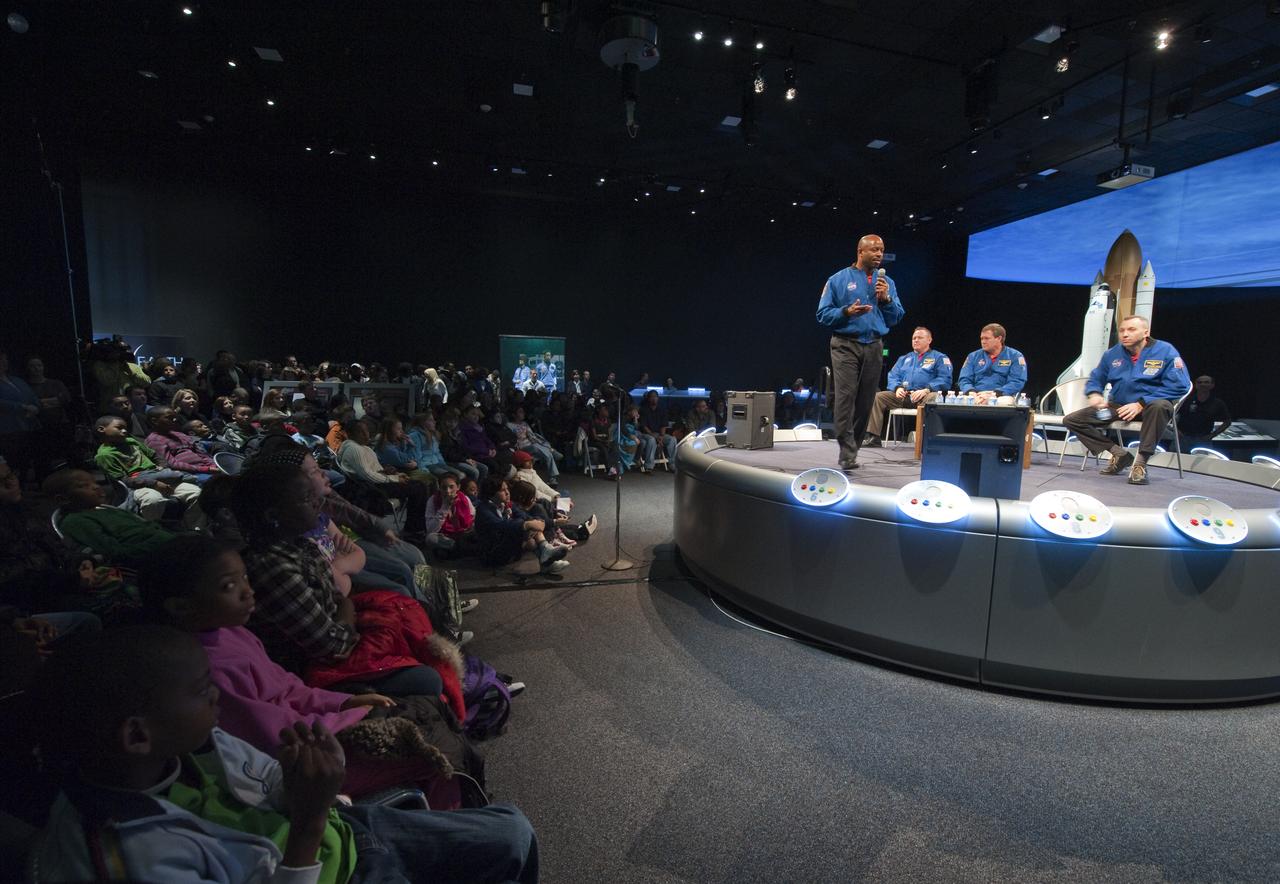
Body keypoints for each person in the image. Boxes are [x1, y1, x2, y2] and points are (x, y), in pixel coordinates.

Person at [29, 625, 539, 884]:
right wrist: (310, 819)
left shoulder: (193, 748)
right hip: (328, 863)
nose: (216, 696)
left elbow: (272, 777)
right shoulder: (133, 857)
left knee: (513, 830)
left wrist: (311, 782)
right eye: (202, 690)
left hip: (343, 833)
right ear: (137, 735)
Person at [1062, 315, 1191, 485]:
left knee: (1160, 406)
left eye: (1131, 329)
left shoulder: (1165, 351)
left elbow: (1180, 385)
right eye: (1122, 330)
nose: (1125, 334)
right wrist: (1094, 393)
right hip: (1119, 406)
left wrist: (1141, 403)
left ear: (1146, 332)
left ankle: (1140, 464)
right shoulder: (1112, 354)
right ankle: (1119, 454)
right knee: (1073, 420)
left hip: (1150, 406)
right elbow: (1096, 378)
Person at [816, 233, 905, 470]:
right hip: (845, 344)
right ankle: (846, 451)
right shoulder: (837, 279)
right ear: (860, 251)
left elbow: (896, 317)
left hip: (874, 345)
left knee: (866, 401)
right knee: (846, 397)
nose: (879, 254)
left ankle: (852, 450)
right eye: (874, 250)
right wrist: (846, 312)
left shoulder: (887, 282)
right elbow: (822, 314)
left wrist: (886, 300)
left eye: (881, 250)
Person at [93, 415, 203, 523]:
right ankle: (152, 528)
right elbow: (123, 479)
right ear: (102, 429)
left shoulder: (131, 441)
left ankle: (194, 527)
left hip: (159, 474)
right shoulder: (104, 455)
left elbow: (154, 455)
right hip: (139, 484)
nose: (124, 431)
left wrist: (163, 466)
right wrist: (154, 483)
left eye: (125, 428)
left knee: (196, 493)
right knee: (152, 500)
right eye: (119, 428)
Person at [864, 327, 953, 447]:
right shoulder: (904, 358)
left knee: (934, 397)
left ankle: (926, 439)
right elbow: (893, 375)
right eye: (914, 338)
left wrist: (927, 389)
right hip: (904, 396)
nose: (916, 340)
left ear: (929, 340)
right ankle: (873, 437)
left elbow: (945, 379)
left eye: (920, 337)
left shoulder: (939, 357)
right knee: (878, 397)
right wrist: (897, 388)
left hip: (924, 397)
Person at [474, 476, 569, 573]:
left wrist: (536, 522)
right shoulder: (483, 509)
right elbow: (500, 525)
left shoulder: (506, 504)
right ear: (491, 493)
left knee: (530, 527)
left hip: (505, 544)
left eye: (507, 489)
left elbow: (525, 516)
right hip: (492, 553)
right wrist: (526, 525)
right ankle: (546, 552)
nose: (507, 492)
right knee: (524, 528)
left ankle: (546, 557)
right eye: (502, 490)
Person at [956, 323, 1027, 405]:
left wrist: (994, 394)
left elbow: (1017, 381)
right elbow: (964, 379)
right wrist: (971, 392)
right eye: (981, 338)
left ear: (999, 338)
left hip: (1002, 396)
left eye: (987, 338)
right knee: (958, 400)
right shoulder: (973, 356)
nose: (983, 342)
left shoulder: (1015, 356)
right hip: (976, 395)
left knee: (1004, 402)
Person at [1177, 375, 1232, 446]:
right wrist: (1177, 431)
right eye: (1199, 382)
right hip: (1182, 439)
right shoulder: (1185, 400)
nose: (1202, 384)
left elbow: (1227, 421)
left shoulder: (1217, 403)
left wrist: (1213, 435)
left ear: (1212, 385)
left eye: (1206, 382)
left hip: (1204, 440)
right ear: (1195, 385)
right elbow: (1172, 416)